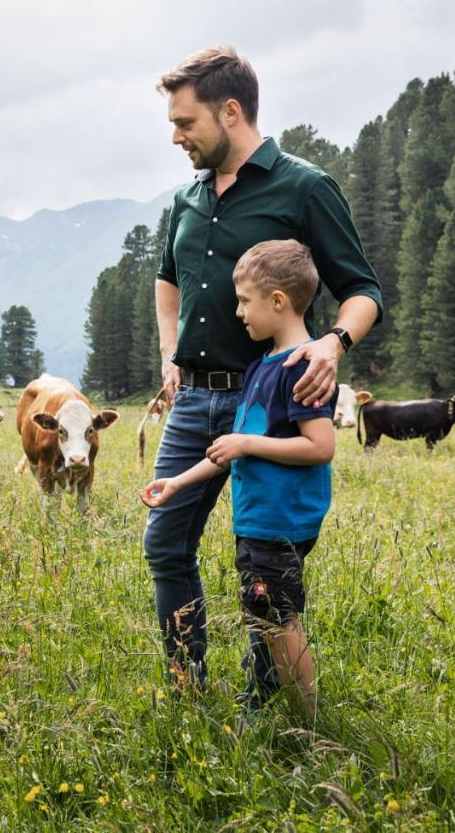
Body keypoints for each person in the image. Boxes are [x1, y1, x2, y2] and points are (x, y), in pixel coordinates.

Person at [143, 46, 381, 697]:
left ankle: (268, 702)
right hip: (193, 402)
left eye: (186, 122)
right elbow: (168, 283)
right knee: (165, 542)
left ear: (230, 110)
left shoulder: (304, 187)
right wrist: (169, 353)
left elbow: (363, 291)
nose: (175, 136)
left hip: (270, 407)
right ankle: (186, 683)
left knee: (263, 558)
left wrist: (332, 344)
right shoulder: (188, 198)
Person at [143, 239, 334, 714]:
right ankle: (272, 709)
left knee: (279, 621)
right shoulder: (260, 368)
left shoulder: (302, 367)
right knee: (266, 616)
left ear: (278, 301)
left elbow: (320, 446)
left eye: (245, 300)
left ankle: (307, 722)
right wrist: (178, 483)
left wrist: (247, 443)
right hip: (258, 522)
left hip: (280, 523)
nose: (238, 311)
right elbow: (228, 450)